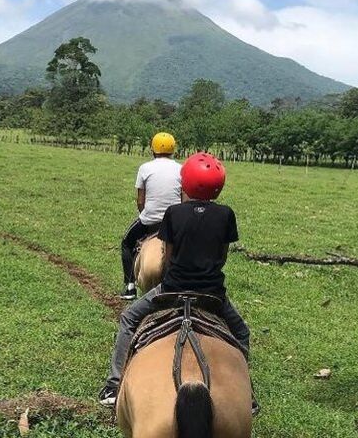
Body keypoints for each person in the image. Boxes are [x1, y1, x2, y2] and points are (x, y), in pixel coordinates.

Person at [99, 152, 257, 414]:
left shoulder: (173, 213)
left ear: (184, 184)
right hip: (212, 295)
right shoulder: (226, 214)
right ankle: (248, 394)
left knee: (128, 319)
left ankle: (114, 385)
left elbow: (168, 257)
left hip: (172, 289)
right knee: (241, 332)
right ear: (219, 188)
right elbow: (222, 257)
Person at [119, 132, 182, 300]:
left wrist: (146, 214)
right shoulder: (181, 168)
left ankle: (130, 286)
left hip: (150, 221)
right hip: (175, 222)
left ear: (152, 149)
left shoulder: (145, 168)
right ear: (172, 150)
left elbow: (140, 201)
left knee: (126, 242)